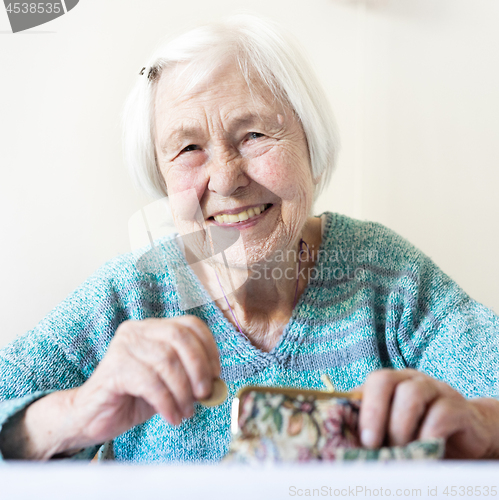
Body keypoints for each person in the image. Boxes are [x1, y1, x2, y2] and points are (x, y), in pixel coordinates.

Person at [0, 14, 498, 463]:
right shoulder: (132, 296)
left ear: (311, 142)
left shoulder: (385, 275)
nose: (226, 178)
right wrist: (75, 414)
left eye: (254, 135)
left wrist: (479, 425)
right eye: (189, 148)